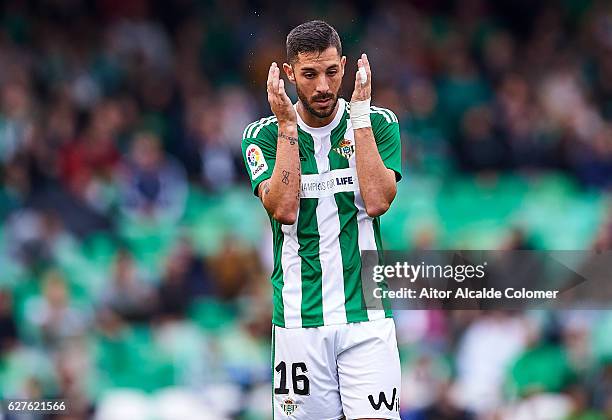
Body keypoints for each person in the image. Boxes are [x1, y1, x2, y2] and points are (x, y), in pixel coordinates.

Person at [241, 20, 402, 419]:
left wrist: (360, 117)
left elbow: (379, 200)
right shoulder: (261, 136)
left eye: (332, 72)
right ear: (290, 73)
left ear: (345, 66)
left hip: (368, 317)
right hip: (299, 320)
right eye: (310, 74)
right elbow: (283, 209)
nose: (324, 87)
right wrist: (287, 128)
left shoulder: (379, 122)